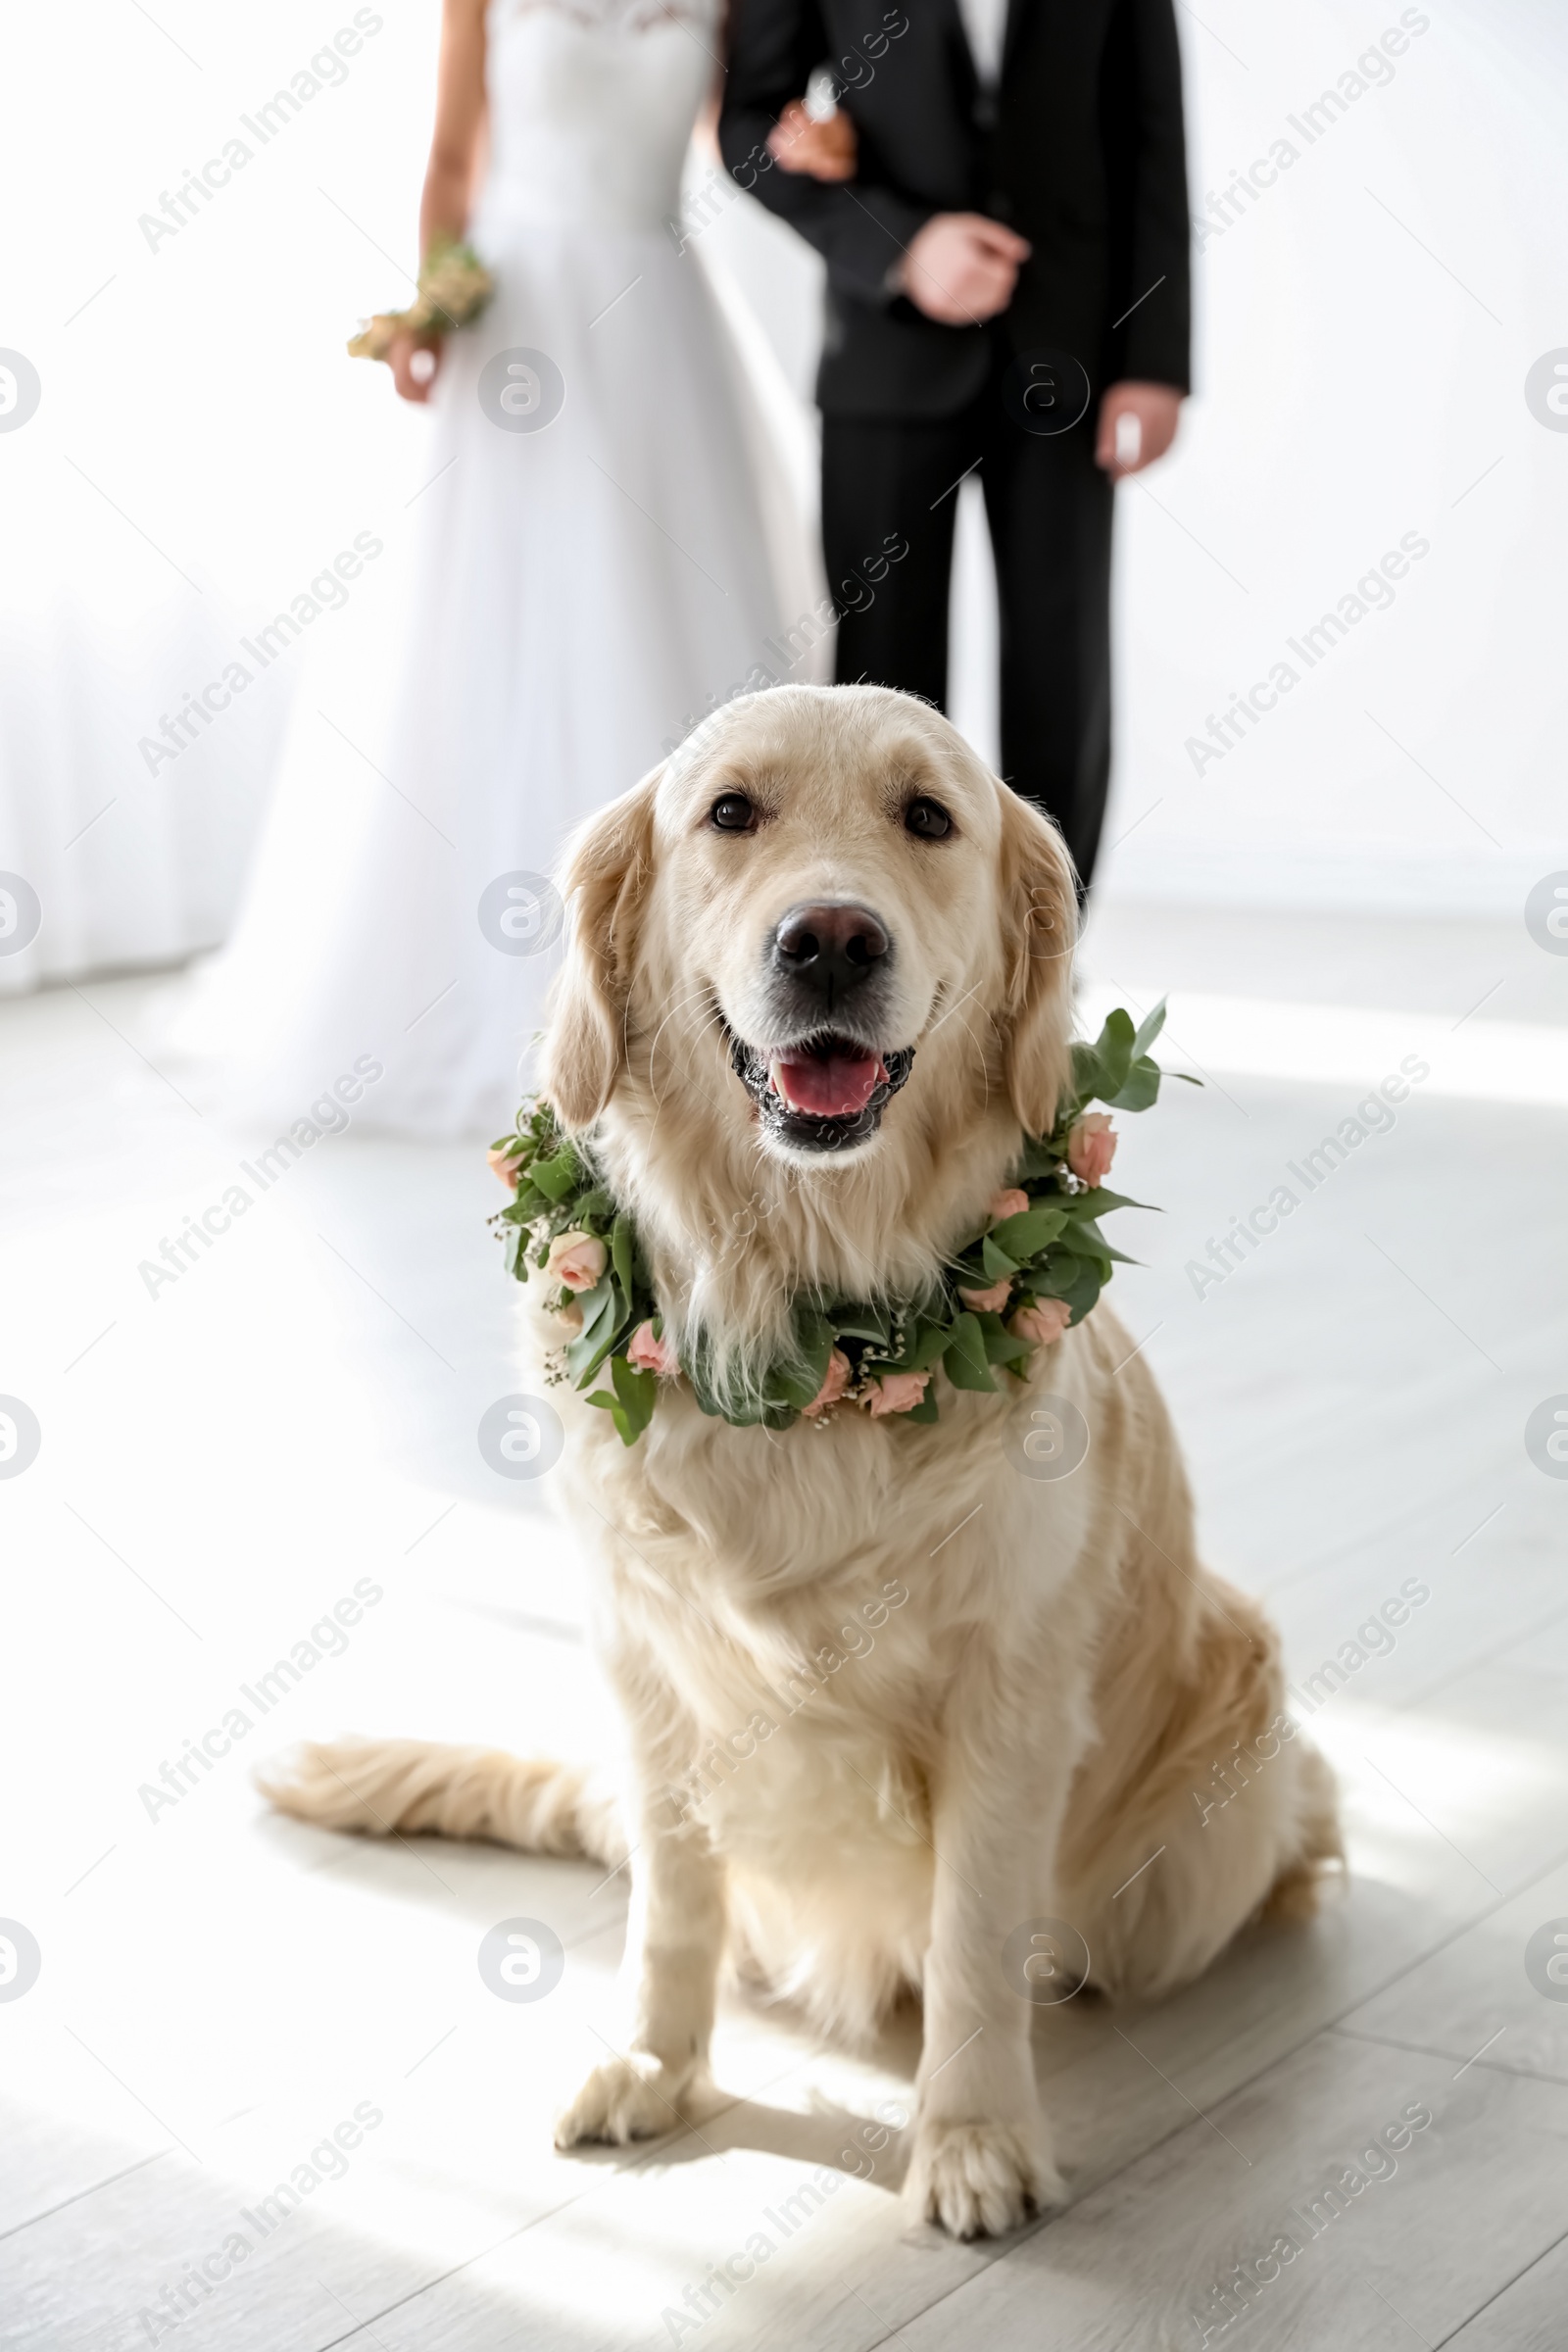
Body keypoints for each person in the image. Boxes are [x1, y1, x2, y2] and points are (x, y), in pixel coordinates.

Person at [168, 0, 827, 1138]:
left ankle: (686, 1002)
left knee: (672, 635)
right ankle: (497, 993)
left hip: (662, 329)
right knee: (488, 645)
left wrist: (813, 142)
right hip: (522, 323)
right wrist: (433, 298)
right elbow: (453, 151)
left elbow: (738, 137)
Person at [720, 0, 1191, 889]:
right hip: (883, 356)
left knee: (1063, 668)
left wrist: (1155, 357)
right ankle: (880, 940)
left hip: (1072, 355)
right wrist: (901, 246)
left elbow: (1152, 136)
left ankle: (1046, 957)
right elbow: (747, 126)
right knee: (877, 676)